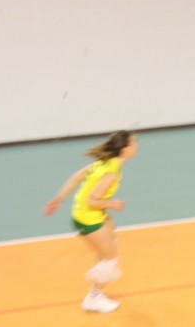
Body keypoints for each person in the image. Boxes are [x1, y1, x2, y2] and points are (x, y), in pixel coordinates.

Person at [43, 130, 138, 314]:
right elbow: (92, 200)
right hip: (89, 218)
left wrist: (59, 199)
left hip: (86, 213)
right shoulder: (112, 172)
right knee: (110, 260)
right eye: (134, 142)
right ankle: (94, 298)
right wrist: (113, 204)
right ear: (125, 148)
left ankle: (100, 277)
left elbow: (76, 177)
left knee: (111, 243)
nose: (136, 145)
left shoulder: (104, 162)